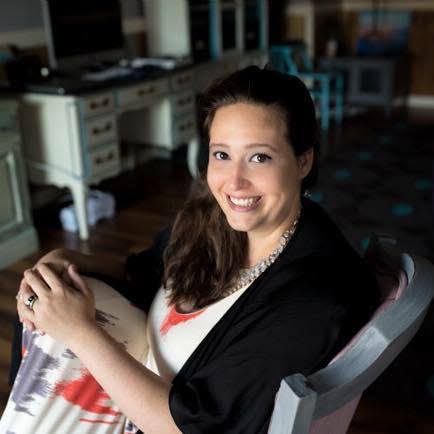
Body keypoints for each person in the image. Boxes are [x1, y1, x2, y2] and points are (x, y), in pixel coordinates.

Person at [3, 66, 379, 434]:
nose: (234, 182)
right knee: (50, 301)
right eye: (222, 155)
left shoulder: (311, 298)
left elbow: (192, 426)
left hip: (154, 416)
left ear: (303, 160)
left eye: (259, 157)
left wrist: (80, 332)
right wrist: (67, 259)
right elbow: (144, 269)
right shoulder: (213, 218)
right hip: (129, 377)